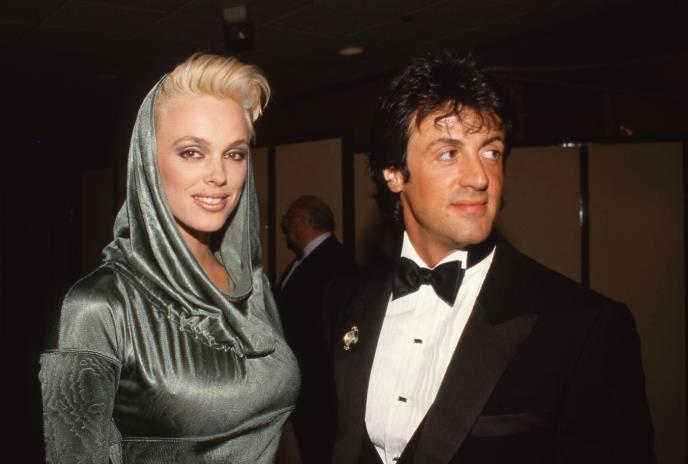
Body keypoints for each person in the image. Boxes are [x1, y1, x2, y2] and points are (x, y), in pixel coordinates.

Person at [326, 51, 655, 463]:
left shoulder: (583, 326)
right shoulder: (343, 301)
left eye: (491, 152)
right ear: (394, 173)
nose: (480, 177)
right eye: (449, 153)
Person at [38, 53, 299, 463]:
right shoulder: (98, 308)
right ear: (148, 159)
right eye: (192, 152)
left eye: (234, 154)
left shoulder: (252, 286)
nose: (219, 175)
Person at [276, 195, 356, 463]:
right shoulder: (307, 259)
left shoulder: (336, 260)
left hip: (321, 389)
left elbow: (336, 330)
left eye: (288, 220)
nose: (285, 227)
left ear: (303, 221)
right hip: (304, 385)